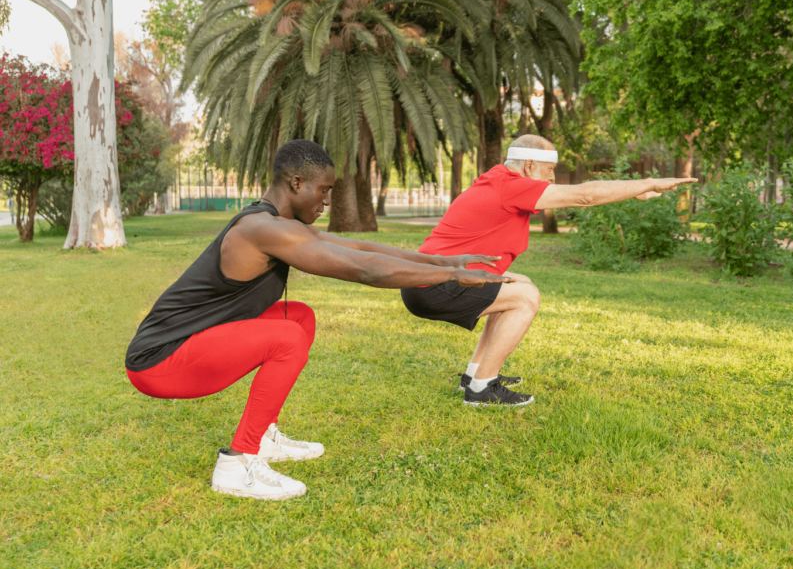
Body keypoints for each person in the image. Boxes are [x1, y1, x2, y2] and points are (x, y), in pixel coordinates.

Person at [125, 140, 510, 501]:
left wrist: (444, 261)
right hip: (159, 363)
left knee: (299, 317)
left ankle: (263, 438)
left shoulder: (277, 223)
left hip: (189, 346)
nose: (328, 200)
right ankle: (236, 464)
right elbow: (365, 269)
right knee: (287, 337)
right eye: (323, 190)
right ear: (296, 183)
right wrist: (452, 277)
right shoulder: (263, 229)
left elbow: (358, 246)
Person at [401, 134, 697, 407]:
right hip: (434, 286)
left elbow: (587, 196)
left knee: (517, 283)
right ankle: (481, 390)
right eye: (550, 169)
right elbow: (586, 195)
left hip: (429, 281)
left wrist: (632, 192)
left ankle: (475, 374)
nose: (554, 178)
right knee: (526, 296)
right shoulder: (510, 186)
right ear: (529, 166)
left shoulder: (499, 181)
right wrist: (649, 183)